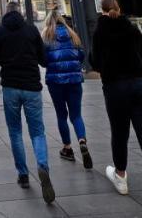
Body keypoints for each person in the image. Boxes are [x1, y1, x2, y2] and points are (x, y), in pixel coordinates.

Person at [90, 0, 142, 218]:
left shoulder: (99, 32)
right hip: (140, 86)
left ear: (101, 10)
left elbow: (95, 62)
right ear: (118, 8)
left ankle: (121, 176)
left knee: (119, 134)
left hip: (115, 88)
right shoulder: (132, 29)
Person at [0, 1, 54, 204]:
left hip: (10, 87)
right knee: (37, 131)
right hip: (32, 87)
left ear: (6, 13)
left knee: (15, 131)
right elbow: (44, 59)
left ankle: (23, 174)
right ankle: (42, 166)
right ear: (20, 12)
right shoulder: (31, 30)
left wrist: (5, 61)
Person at [42, 11, 92, 169]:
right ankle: (82, 141)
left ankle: (67, 148)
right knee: (76, 114)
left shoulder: (46, 36)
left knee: (61, 114)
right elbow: (82, 55)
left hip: (55, 81)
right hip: (74, 80)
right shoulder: (73, 35)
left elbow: (43, 60)